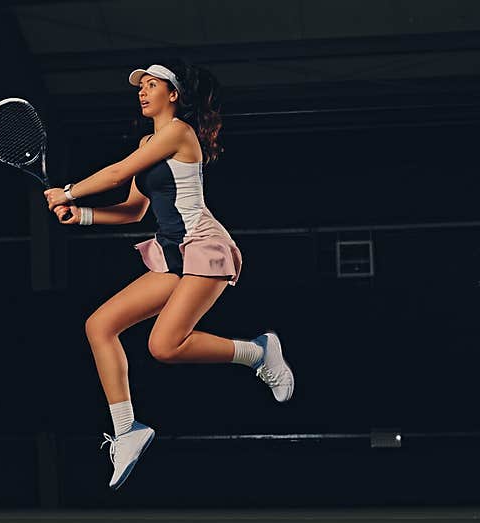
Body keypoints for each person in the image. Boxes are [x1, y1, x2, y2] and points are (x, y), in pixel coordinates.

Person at [44, 61, 294, 490]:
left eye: (152, 84)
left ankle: (258, 353)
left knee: (163, 345)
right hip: (172, 254)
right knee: (99, 326)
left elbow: (117, 171)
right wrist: (81, 214)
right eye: (139, 86)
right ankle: (126, 431)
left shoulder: (179, 133)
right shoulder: (148, 142)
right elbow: (132, 210)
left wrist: (67, 191)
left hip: (203, 247)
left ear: (173, 95)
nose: (142, 91)